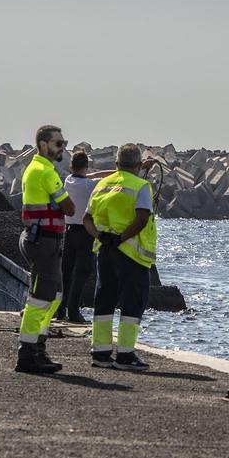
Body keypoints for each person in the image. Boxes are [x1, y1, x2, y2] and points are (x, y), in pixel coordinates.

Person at [84, 143, 158, 372]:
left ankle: (101, 352)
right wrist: (122, 237)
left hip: (105, 252)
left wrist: (102, 237)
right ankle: (125, 355)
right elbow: (142, 217)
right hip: (131, 253)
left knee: (104, 299)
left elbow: (87, 219)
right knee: (133, 301)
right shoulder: (141, 185)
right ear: (138, 165)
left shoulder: (102, 185)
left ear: (116, 164)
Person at [14, 126, 75, 372]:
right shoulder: (45, 172)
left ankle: (38, 347)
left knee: (54, 296)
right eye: (59, 143)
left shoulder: (37, 169)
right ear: (43, 144)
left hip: (43, 239)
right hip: (44, 241)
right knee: (39, 299)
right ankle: (27, 355)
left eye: (64, 143)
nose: (63, 148)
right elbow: (70, 208)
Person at [59, 150, 105, 323]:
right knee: (82, 272)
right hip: (86, 232)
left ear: (71, 166)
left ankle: (61, 309)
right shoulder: (91, 185)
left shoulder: (68, 181)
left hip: (69, 231)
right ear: (86, 166)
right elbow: (97, 178)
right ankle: (73, 310)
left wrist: (87, 172)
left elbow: (86, 175)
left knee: (67, 272)